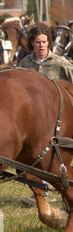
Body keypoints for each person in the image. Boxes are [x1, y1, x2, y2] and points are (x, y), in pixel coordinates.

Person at [18, 23, 73, 206]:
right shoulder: (24, 65)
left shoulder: (61, 64)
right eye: (37, 42)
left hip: (57, 120)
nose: (41, 45)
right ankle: (40, 193)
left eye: (44, 42)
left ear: (48, 42)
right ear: (31, 43)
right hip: (32, 122)